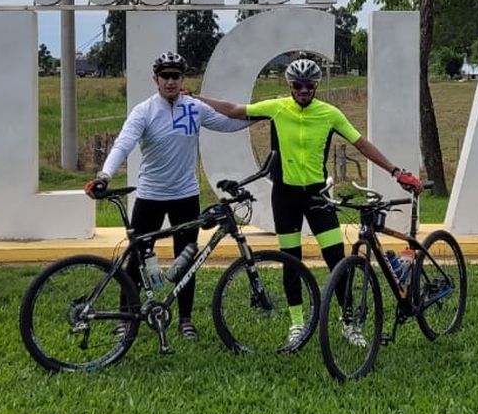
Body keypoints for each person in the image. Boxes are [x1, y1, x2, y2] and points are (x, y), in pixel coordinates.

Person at [197, 56, 421, 348]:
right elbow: (236, 110)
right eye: (297, 85)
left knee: (336, 259)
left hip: (317, 196)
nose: (303, 90)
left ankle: (349, 321)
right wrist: (198, 99)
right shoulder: (277, 107)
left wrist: (395, 171)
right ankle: (297, 323)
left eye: (309, 85)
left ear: (315, 86)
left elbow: (360, 143)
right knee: (291, 261)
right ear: (290, 85)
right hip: (285, 196)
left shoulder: (329, 113)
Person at [88, 51, 252, 340]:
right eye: (165, 76)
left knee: (186, 258)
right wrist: (104, 175)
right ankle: (126, 317)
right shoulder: (144, 111)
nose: (170, 81)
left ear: (183, 79)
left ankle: (185, 319)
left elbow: (229, 123)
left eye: (176, 76)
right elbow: (123, 144)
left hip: (185, 196)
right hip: (150, 195)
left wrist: (269, 113)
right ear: (156, 79)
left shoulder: (194, 107)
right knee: (137, 258)